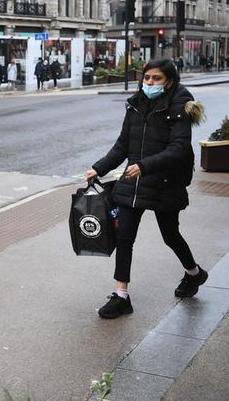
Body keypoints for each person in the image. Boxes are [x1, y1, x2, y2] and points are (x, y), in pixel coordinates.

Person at [85, 58, 207, 319]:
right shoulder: (136, 104)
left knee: (170, 235)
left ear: (169, 81)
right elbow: (122, 145)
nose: (149, 83)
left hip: (165, 181)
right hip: (134, 180)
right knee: (124, 237)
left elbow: (178, 148)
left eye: (156, 79)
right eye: (147, 78)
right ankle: (121, 296)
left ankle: (194, 273)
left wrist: (145, 166)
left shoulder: (179, 106)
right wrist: (99, 168)